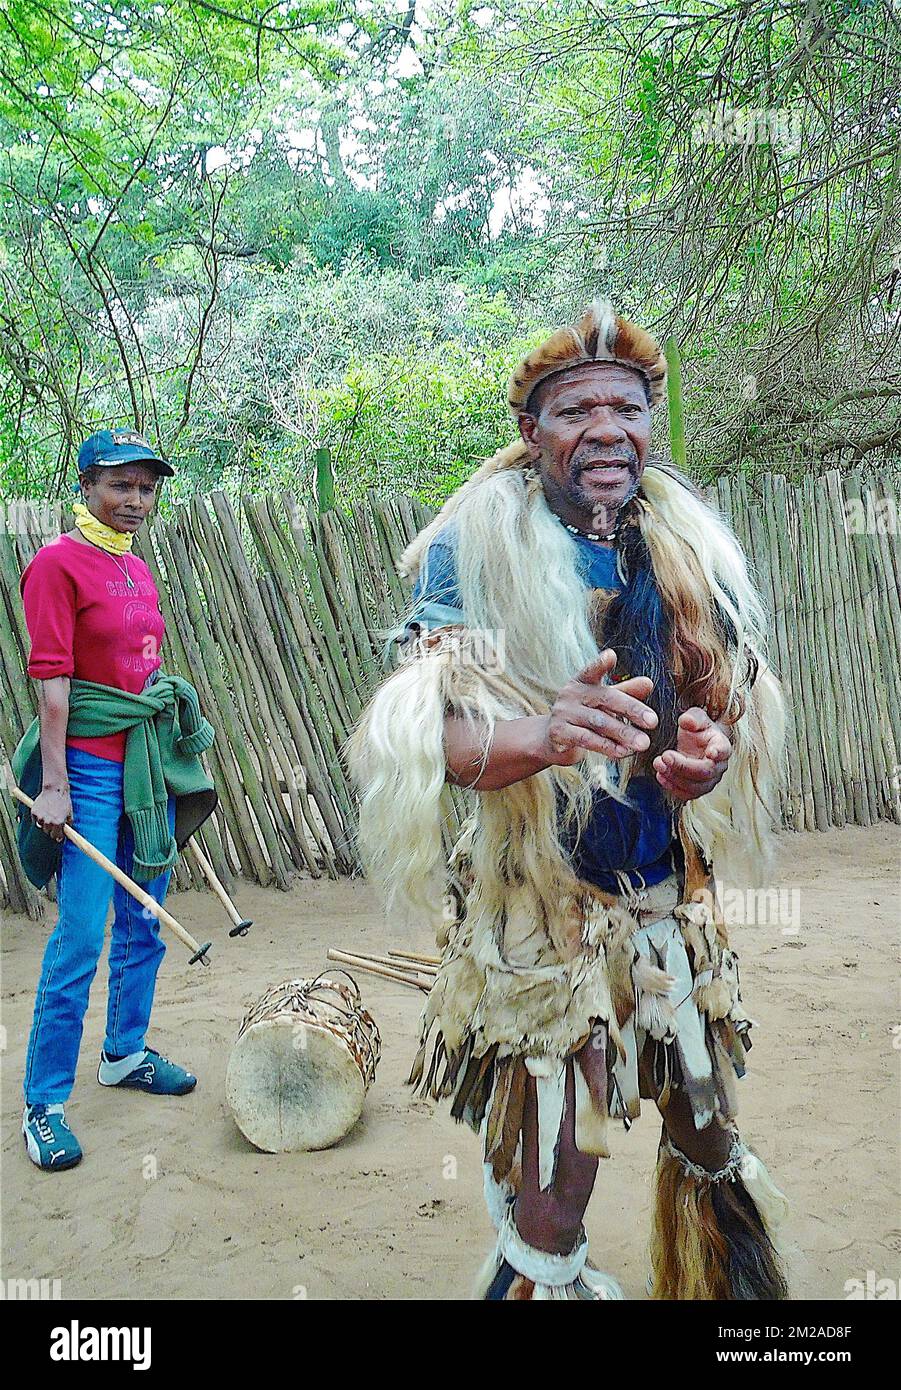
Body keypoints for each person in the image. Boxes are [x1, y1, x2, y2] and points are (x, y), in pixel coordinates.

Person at [346, 299, 790, 1299]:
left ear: (648, 424)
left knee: (710, 1131)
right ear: (531, 433)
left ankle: (730, 1287)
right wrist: (538, 736)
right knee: (558, 1171)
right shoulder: (477, 547)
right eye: (575, 409)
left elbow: (725, 693)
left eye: (625, 408)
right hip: (541, 907)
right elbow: (439, 736)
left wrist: (706, 755)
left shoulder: (684, 542)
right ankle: (540, 1275)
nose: (605, 430)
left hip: (665, 892)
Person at [13, 428, 217, 1172]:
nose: (135, 500)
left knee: (145, 918)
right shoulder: (56, 564)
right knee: (81, 934)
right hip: (91, 772)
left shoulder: (134, 567)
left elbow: (139, 668)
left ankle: (124, 1053)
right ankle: (44, 1104)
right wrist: (57, 786)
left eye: (146, 488)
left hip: (144, 767)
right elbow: (53, 682)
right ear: (86, 487)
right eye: (120, 486)